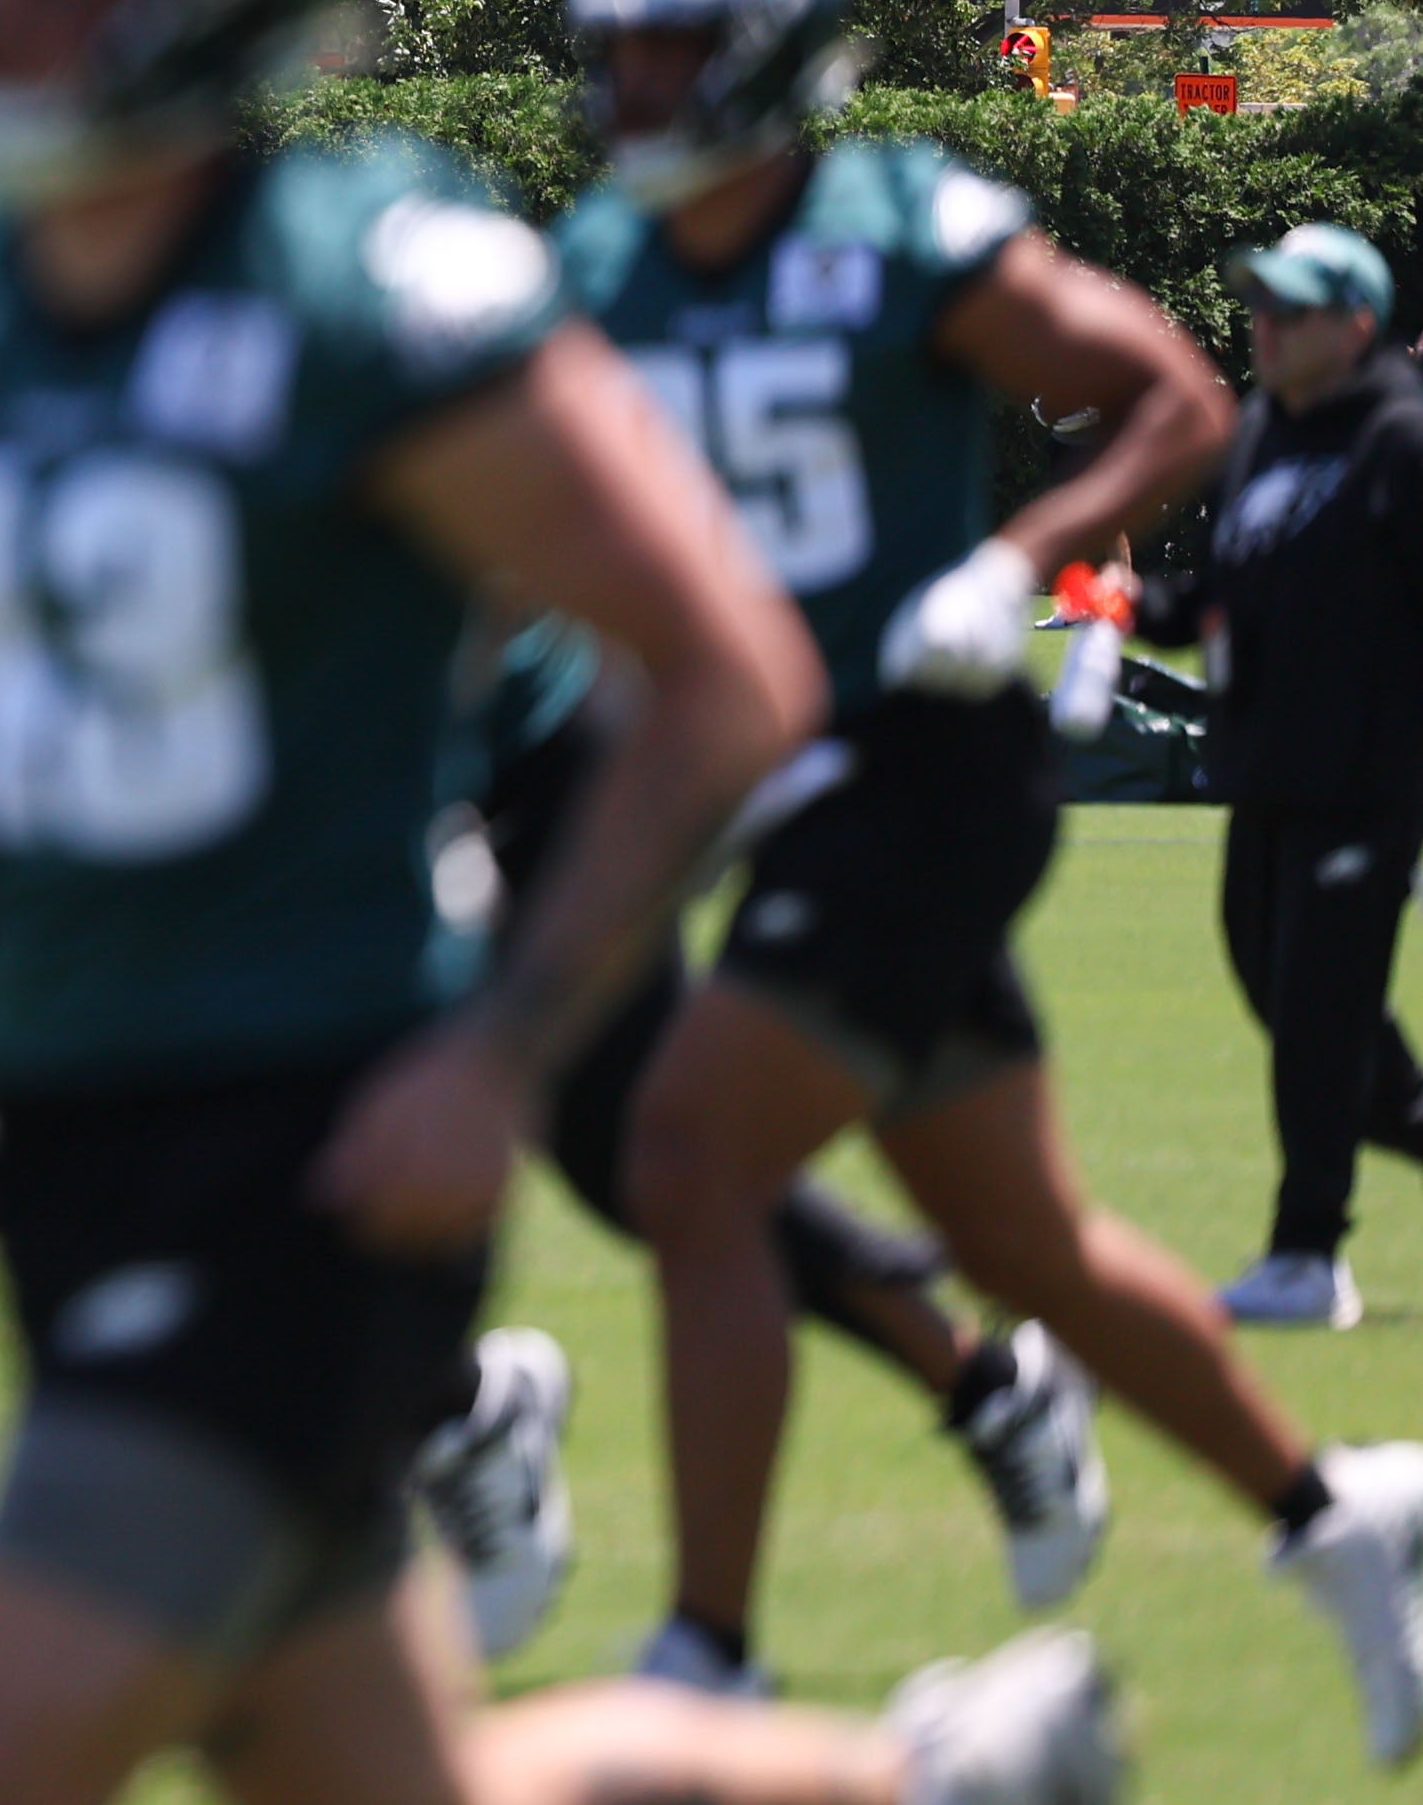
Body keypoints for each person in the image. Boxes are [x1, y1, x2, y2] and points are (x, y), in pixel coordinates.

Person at [0, 0, 1126, 1805]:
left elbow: (720, 665)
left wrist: (502, 1047)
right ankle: (938, 1779)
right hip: (78, 1114)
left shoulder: (373, 282)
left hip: (313, 1132)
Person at [569, 0, 1423, 1751]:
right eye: (613, 40)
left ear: (765, 59)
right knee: (1028, 1244)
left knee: (690, 1151)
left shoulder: (901, 222)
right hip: (773, 786)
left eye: (669, 43)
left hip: (916, 769)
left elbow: (1172, 402)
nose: (629, 79)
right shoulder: (601, 267)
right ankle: (1339, 1517)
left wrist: (1016, 553)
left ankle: (706, 1643)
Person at [392, 612, 1108, 1658]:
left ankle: (985, 1384)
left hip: (527, 762)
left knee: (650, 1152)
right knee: (262, 1138)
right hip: (338, 784)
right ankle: (455, 1413)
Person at [1193, 221, 1423, 1327]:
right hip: (1265, 769)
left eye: (1288, 310)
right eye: (1257, 307)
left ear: (1356, 324)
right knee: (1279, 994)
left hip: (1367, 777)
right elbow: (1231, 589)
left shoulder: (1397, 438)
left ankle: (1304, 1252)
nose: (1263, 327)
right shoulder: (1258, 434)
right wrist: (1134, 607)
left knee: (1320, 1013)